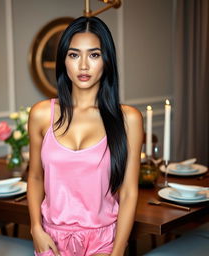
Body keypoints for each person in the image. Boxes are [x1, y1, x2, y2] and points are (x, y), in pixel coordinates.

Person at [27, 16, 143, 256]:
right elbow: (36, 177)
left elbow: (130, 191)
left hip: (103, 240)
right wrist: (35, 228)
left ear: (106, 61)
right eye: (73, 55)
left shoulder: (128, 119)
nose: (83, 66)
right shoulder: (41, 114)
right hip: (52, 238)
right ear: (64, 61)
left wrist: (118, 250)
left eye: (94, 55)